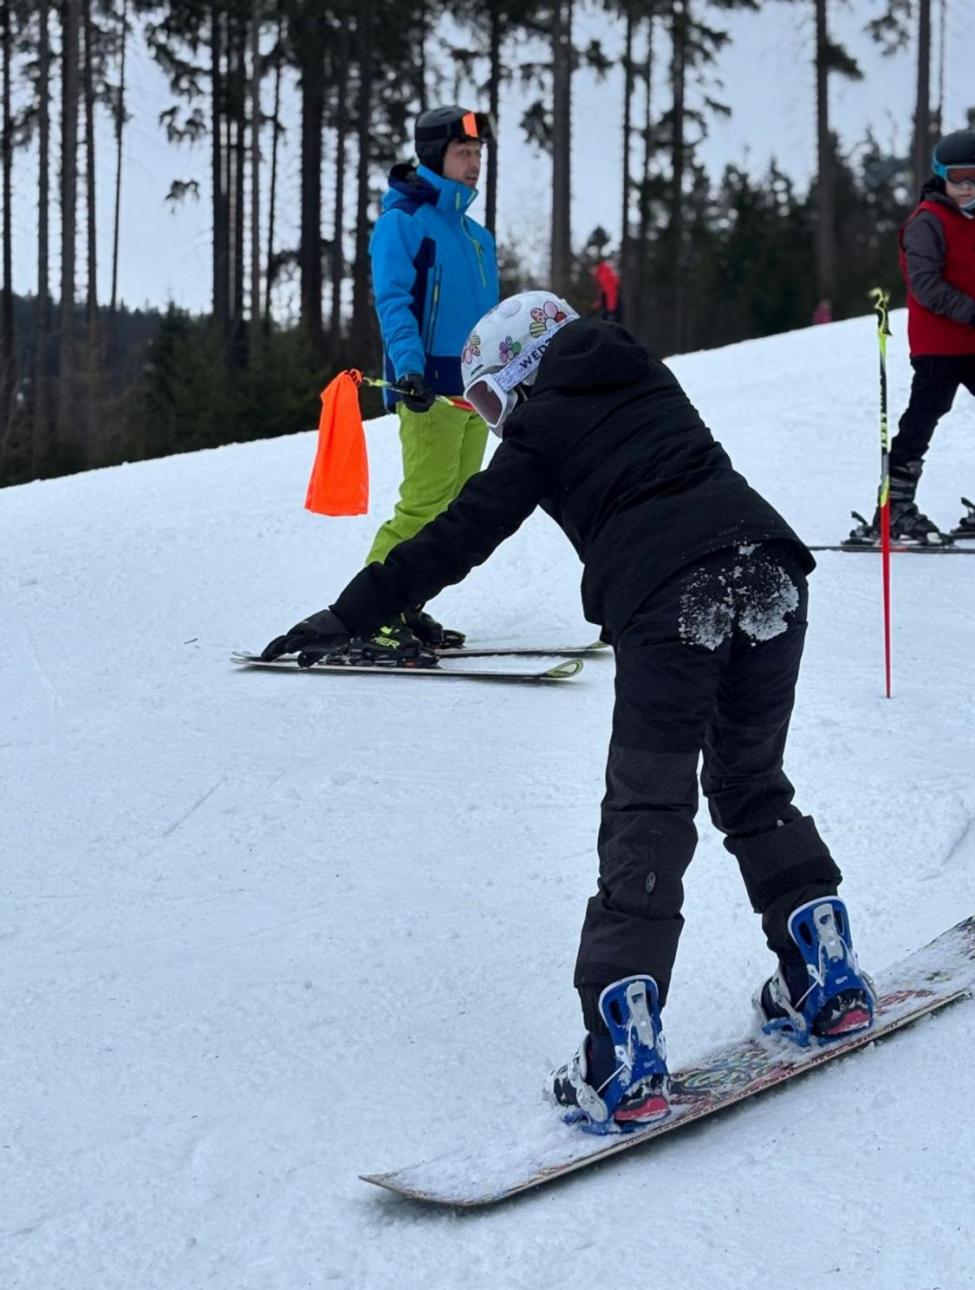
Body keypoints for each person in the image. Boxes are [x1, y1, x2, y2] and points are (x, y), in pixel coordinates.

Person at [261, 290, 876, 1131]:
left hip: (672, 600)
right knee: (750, 781)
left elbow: (459, 533)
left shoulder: (542, 422)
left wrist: (347, 615)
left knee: (648, 814)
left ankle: (620, 1059)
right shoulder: (643, 372)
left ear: (519, 368)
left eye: (487, 395)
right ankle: (824, 971)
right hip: (767, 565)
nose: (492, 415)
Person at [363, 104, 500, 651]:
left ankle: (406, 600)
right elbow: (394, 302)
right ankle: (371, 610)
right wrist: (410, 370)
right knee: (422, 504)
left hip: (475, 392)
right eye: (464, 153)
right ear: (434, 157)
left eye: (478, 154)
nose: (474, 164)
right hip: (428, 391)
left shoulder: (475, 236)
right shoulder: (403, 222)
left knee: (454, 510)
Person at [847, 129, 975, 548]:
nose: (968, 188)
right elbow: (925, 285)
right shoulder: (927, 222)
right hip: (940, 343)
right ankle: (894, 508)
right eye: (960, 179)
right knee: (924, 417)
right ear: (941, 178)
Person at [592, 257, 623, 323]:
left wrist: (610, 312)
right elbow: (603, 295)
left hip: (613, 306)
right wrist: (596, 307)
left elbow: (611, 293)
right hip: (611, 305)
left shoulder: (604, 275)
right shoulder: (602, 273)